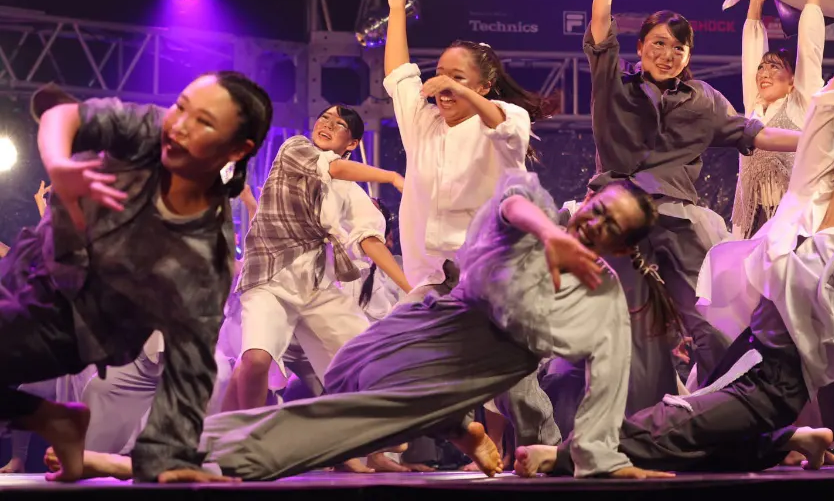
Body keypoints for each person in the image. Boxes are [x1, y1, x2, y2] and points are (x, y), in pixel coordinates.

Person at [517, 13, 834, 479]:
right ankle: (788, 441)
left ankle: (563, 455)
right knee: (698, 443)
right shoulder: (809, 189)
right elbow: (828, 104)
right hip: (748, 349)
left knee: (673, 424)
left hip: (779, 380)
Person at [66, 175, 671, 482]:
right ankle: (152, 458)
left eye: (611, 228)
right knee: (336, 408)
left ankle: (146, 460)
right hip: (418, 335)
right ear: (588, 200)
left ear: (622, 248)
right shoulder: (536, 216)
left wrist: (603, 458)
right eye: (598, 210)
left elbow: (607, 383)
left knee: (323, 429)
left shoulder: (603, 301)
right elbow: (512, 200)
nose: (595, 225)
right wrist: (551, 233)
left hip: (449, 379)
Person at [587, 0, 807, 410]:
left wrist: (817, 138)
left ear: (689, 56)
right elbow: (600, 19)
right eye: (658, 44)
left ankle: (742, 411)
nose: (668, 54)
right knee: (630, 325)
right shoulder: (613, 84)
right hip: (618, 219)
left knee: (707, 320)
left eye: (679, 47)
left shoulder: (704, 100)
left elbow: (754, 134)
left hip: (678, 221)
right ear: (640, 47)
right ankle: (639, 419)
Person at [0, 72, 272, 483]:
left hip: (69, 328)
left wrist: (169, 458)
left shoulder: (204, 255)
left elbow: (191, 364)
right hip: (26, 269)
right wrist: (59, 165)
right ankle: (53, 420)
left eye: (204, 122)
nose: (180, 125)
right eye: (181, 106)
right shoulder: (153, 130)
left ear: (237, 149)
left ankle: (52, 419)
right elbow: (64, 116)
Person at [380, 0, 554, 302]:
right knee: (391, 334)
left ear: (482, 88)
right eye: (440, 75)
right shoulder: (423, 122)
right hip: (433, 279)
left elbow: (502, 124)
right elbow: (398, 75)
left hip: (492, 279)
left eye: (458, 78)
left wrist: (455, 88)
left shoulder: (505, 118)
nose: (444, 85)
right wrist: (397, 8)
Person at [223, 106, 409, 413]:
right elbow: (333, 169)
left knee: (370, 358)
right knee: (255, 359)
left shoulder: (350, 190)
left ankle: (384, 432)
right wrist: (391, 176)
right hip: (270, 277)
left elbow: (369, 239)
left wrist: (409, 287)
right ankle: (244, 434)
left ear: (352, 143)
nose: (328, 125)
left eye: (339, 124)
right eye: (324, 118)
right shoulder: (295, 148)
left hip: (315, 286)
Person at [731, 0, 832, 238]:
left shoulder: (800, 104)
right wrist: (756, 4)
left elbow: (809, 46)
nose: (763, 73)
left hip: (791, 223)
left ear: (792, 81)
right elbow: (750, 52)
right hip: (752, 223)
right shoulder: (754, 109)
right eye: (762, 68)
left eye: (774, 67)